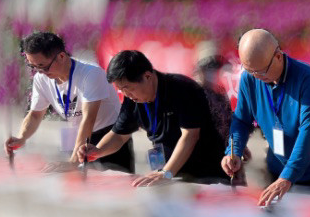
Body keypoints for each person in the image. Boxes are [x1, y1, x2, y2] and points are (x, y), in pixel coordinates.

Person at [78, 50, 226, 186]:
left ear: (147, 76)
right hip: (170, 175)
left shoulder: (182, 89)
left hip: (205, 177)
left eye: (128, 88)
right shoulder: (132, 100)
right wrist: (97, 150)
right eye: (121, 90)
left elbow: (190, 135)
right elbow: (119, 136)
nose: (126, 94)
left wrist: (166, 173)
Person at [221, 29, 310, 206]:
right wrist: (234, 151)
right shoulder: (250, 78)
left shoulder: (306, 77)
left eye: (261, 72)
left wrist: (287, 177)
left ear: (278, 56)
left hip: (308, 172)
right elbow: (241, 120)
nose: (257, 77)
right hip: (275, 167)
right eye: (250, 70)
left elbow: (307, 130)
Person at [5, 31, 134, 173]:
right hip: (79, 136)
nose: (40, 72)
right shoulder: (41, 79)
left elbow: (88, 119)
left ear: (61, 56)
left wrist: (73, 162)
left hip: (109, 138)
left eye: (43, 66)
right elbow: (35, 115)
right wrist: (21, 138)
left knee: (112, 184)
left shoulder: (91, 73)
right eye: (33, 66)